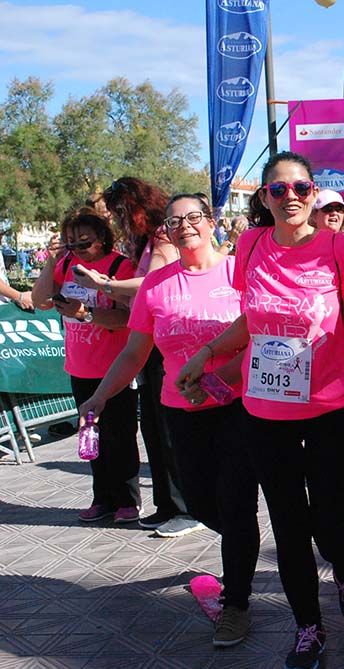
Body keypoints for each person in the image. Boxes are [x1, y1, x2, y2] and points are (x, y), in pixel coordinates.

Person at [175, 151, 344, 669]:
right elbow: (251, 320)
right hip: (266, 412)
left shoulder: (341, 247)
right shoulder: (250, 246)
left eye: (300, 188)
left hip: (330, 408)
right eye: (278, 190)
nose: (290, 197)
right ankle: (308, 628)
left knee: (330, 525)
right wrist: (207, 353)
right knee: (289, 524)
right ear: (264, 199)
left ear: (314, 195)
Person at [77, 194, 262, 647]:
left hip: (239, 407)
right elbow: (134, 352)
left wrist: (218, 383)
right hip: (179, 413)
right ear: (166, 230)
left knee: (236, 505)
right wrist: (99, 397)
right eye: (174, 221)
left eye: (194, 217)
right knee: (198, 503)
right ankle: (241, 544)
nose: (185, 226)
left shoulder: (241, 271)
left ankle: (236, 602)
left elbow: (262, 337)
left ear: (212, 221)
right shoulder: (157, 285)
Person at [74, 178, 202, 538]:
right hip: (149, 338)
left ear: (137, 206)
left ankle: (185, 507)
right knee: (154, 429)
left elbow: (153, 281)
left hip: (168, 343)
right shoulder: (146, 241)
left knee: (167, 428)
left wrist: (104, 286)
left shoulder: (164, 236)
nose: (116, 219)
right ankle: (166, 503)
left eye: (119, 212)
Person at [31, 208, 140, 523]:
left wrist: (85, 314)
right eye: (70, 244)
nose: (78, 250)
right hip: (80, 366)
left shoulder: (120, 266)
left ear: (103, 237)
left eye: (84, 243)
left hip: (116, 367)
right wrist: (53, 261)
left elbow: (127, 318)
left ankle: (127, 499)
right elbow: (40, 300)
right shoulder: (65, 264)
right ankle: (102, 498)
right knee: (90, 435)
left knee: (119, 436)